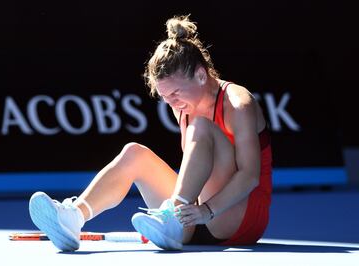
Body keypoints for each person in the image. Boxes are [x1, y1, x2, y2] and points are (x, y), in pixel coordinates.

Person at [28, 14, 272, 251]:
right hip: (192, 214)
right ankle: (73, 219)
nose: (172, 103)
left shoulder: (239, 104)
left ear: (200, 75)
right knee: (134, 153)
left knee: (201, 127)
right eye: (165, 98)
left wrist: (206, 210)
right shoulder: (182, 107)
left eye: (175, 94)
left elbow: (250, 176)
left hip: (239, 220)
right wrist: (192, 211)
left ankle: (172, 216)